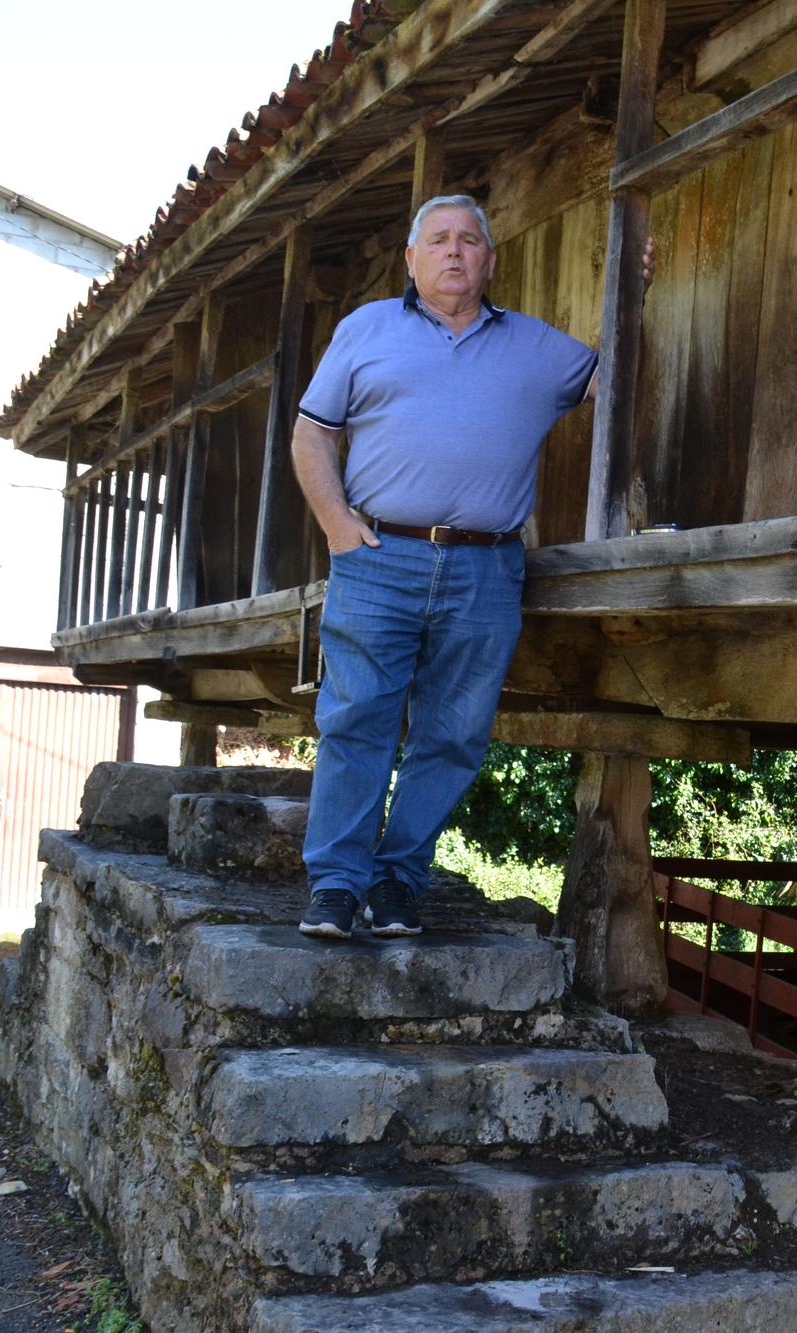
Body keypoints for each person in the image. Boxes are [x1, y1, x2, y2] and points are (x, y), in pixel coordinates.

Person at [288, 193, 650, 939]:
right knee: (357, 720)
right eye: (439, 240)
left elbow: (607, 381)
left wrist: (632, 300)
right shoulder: (366, 330)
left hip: (486, 570)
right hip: (378, 557)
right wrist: (338, 527)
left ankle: (395, 886)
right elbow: (310, 435)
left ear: (489, 261)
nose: (454, 251)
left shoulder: (533, 345)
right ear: (412, 260)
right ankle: (335, 886)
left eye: (469, 241)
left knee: (453, 734)